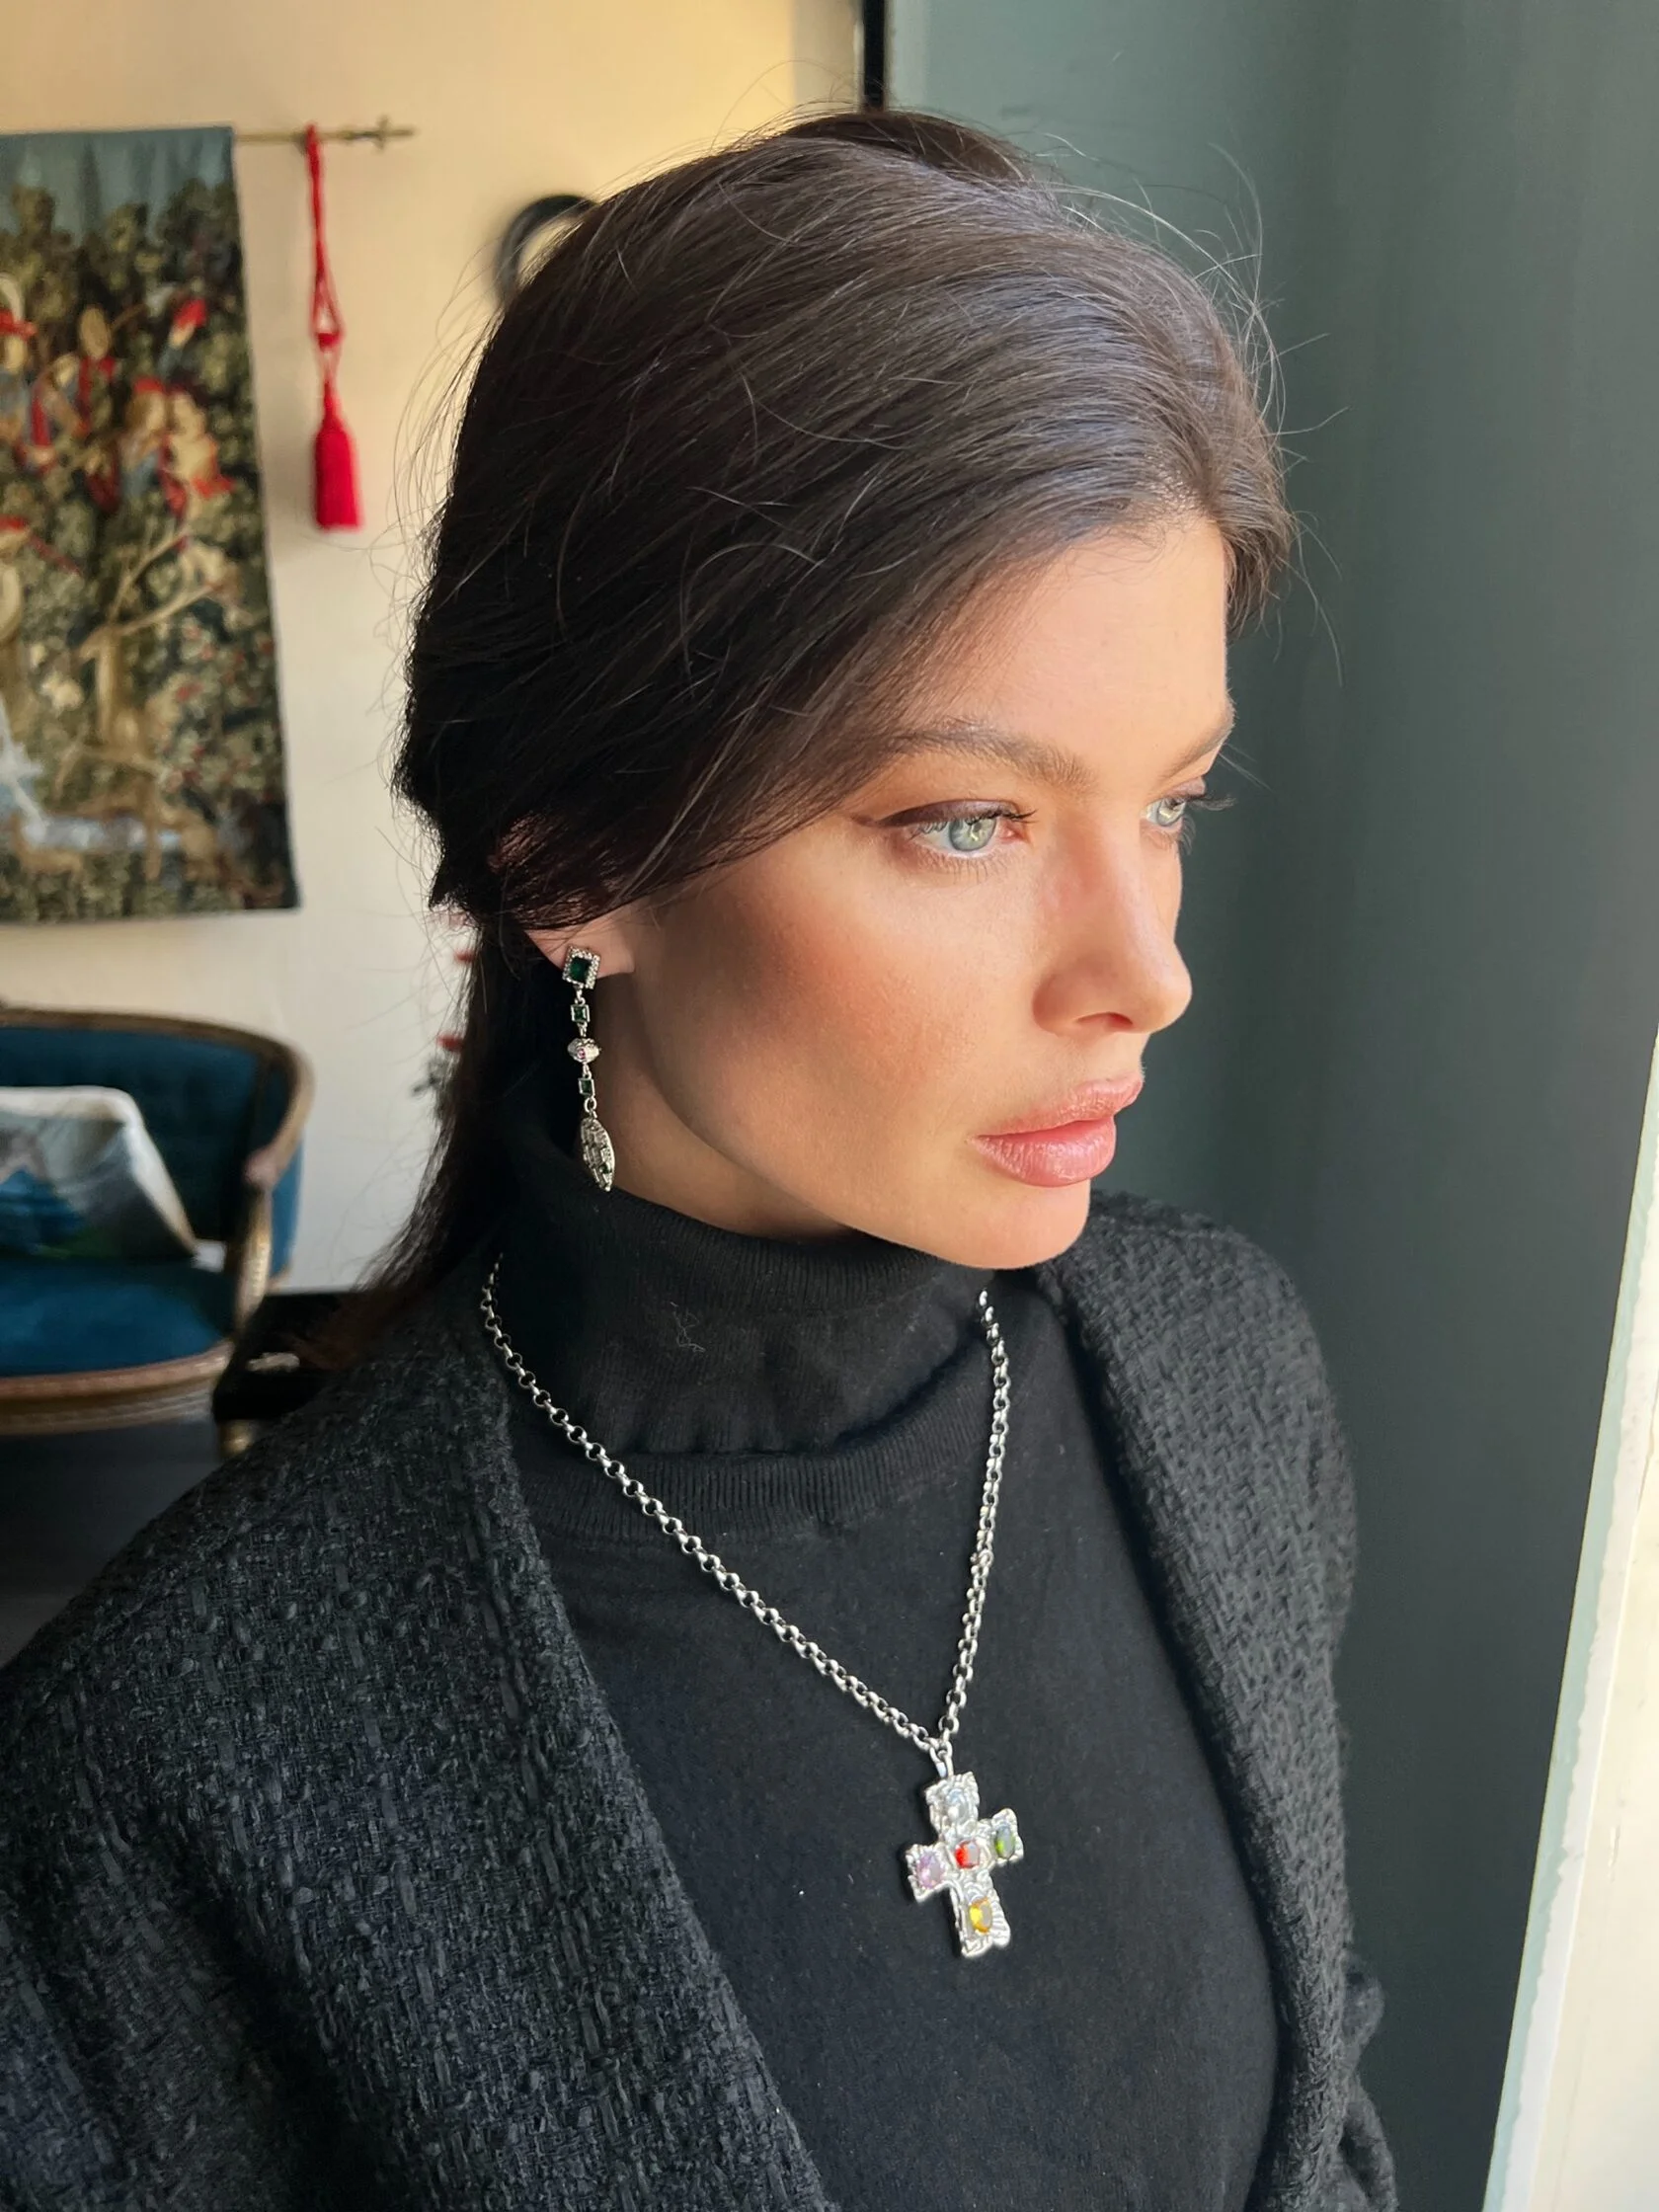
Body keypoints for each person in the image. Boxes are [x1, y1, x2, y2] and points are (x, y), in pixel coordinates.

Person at [0, 112, 1394, 2210]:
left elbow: (1328, 2114)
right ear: (576, 859)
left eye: (1170, 802)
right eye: (968, 820)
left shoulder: (1230, 1384)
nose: (1147, 972)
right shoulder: (178, 1761)